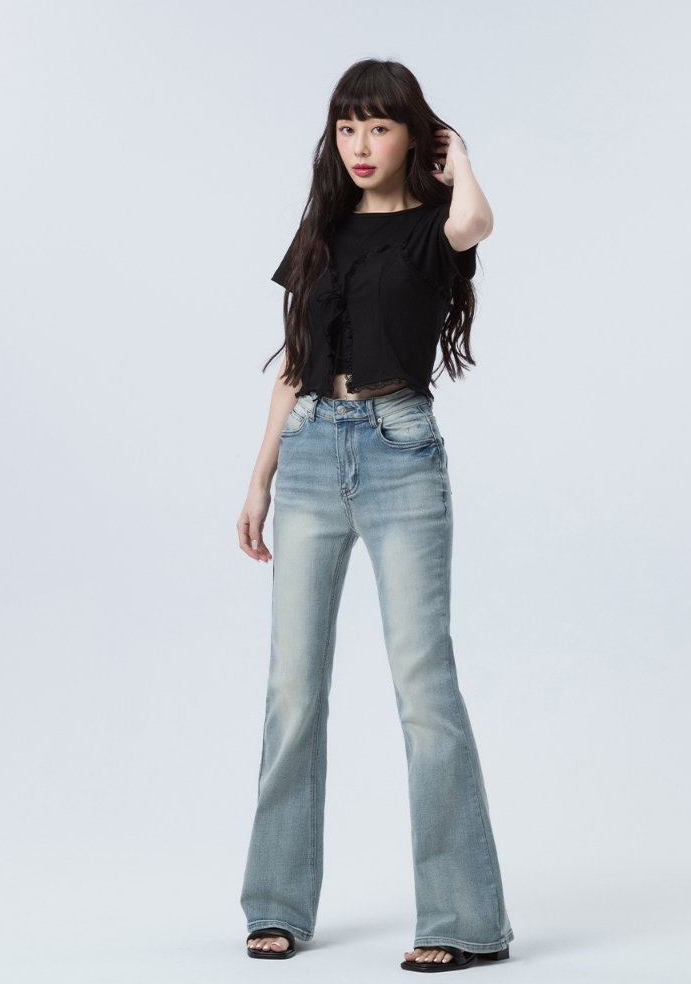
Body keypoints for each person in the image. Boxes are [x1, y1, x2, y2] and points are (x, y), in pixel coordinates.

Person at [236, 58, 513, 972]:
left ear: (412, 136)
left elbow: (478, 221)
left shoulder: (436, 227)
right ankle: (276, 905)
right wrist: (260, 476)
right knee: (292, 689)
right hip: (312, 453)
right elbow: (294, 359)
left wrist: (460, 160)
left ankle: (464, 921)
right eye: (347, 127)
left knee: (424, 688)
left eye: (379, 127)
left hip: (400, 453)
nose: (360, 144)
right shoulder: (322, 229)